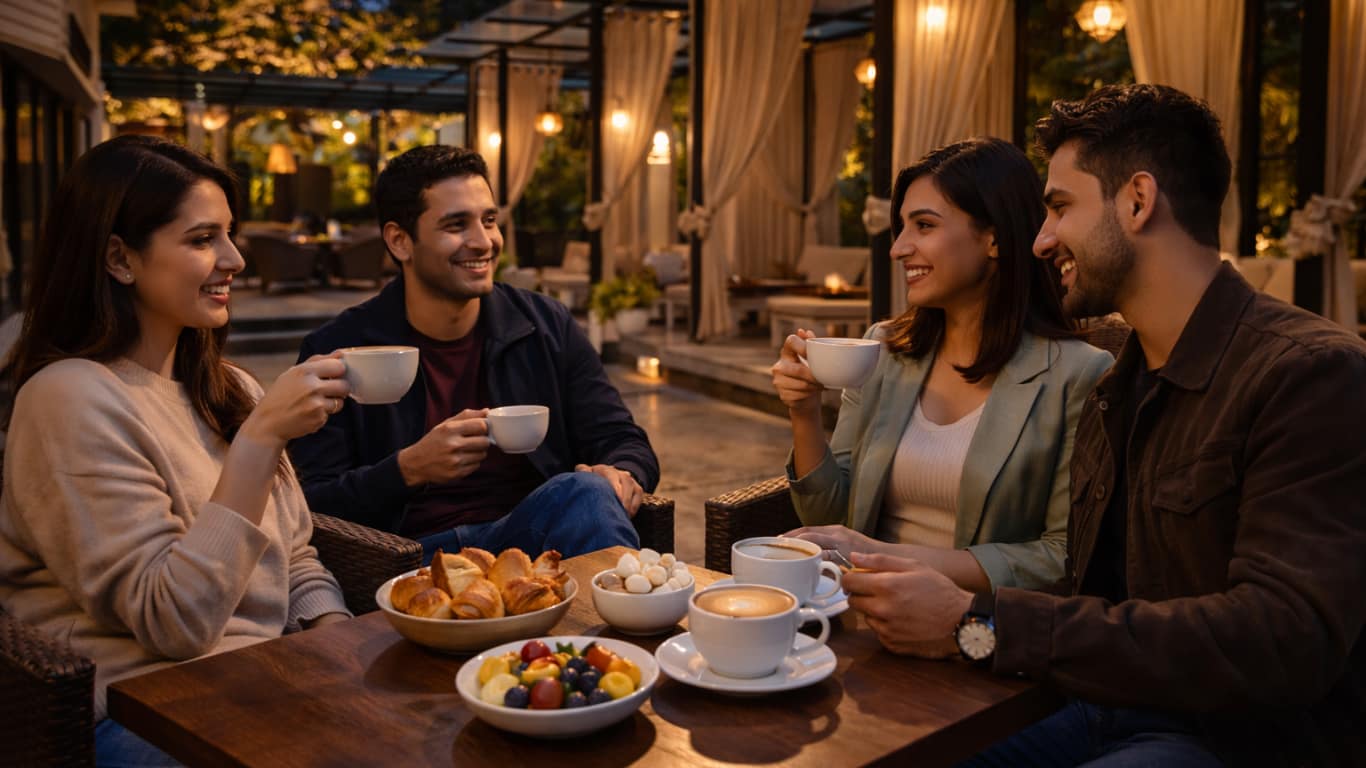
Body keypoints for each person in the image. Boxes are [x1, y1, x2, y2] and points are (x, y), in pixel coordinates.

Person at [850, 84, 1366, 766]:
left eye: (1060, 207)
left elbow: (1281, 640)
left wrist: (973, 624)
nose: (1040, 240)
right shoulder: (1117, 383)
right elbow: (1076, 585)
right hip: (1087, 701)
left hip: (1234, 739)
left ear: (1138, 200)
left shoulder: (1309, 375)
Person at [0, 135, 352, 766]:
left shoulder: (229, 388)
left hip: (265, 679)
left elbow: (293, 557)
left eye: (231, 233)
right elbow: (175, 624)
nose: (236, 258)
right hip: (143, 710)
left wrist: (343, 648)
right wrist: (261, 441)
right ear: (119, 258)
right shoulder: (69, 399)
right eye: (202, 239)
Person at [772, 137, 1112, 593]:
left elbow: (1060, 557)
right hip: (858, 609)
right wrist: (804, 412)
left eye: (924, 226)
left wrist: (883, 556)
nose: (898, 248)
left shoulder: (1077, 375)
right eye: (902, 227)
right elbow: (828, 517)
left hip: (974, 631)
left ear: (993, 237)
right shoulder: (886, 350)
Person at [289, 146, 657, 561]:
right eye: (456, 225)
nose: (484, 242)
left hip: (533, 543)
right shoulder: (341, 347)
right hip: (409, 558)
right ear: (400, 241)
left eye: (489, 220)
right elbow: (310, 504)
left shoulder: (544, 324)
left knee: (588, 491)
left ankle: (625, 618)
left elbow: (622, 438)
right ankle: (628, 616)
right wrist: (408, 469)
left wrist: (621, 473)